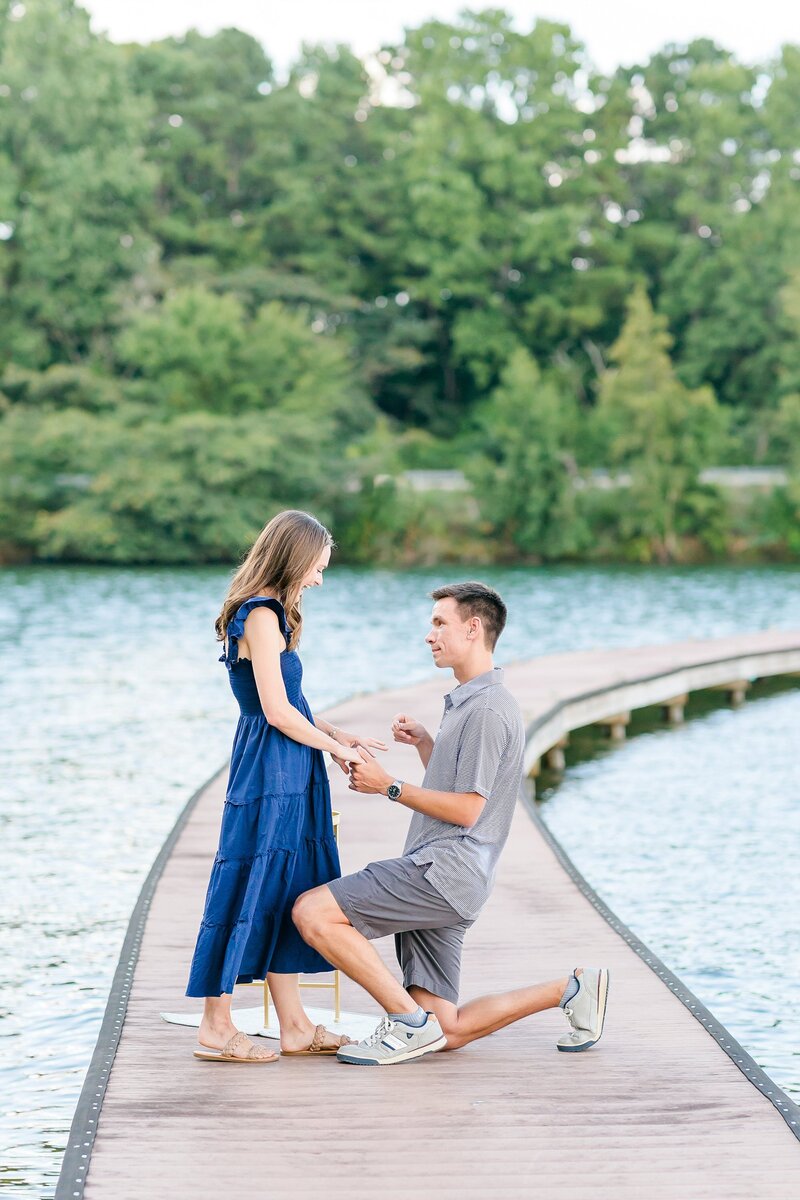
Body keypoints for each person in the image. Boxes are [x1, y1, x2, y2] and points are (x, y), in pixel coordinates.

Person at [293, 581, 609, 1065]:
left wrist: (388, 785)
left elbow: (467, 810)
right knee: (448, 1029)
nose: (429, 635)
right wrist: (425, 744)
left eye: (440, 623)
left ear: (474, 628)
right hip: (459, 880)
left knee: (312, 912)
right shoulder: (471, 699)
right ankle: (571, 989)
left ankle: (405, 1023)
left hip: (440, 872)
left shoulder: (485, 709)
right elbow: (464, 784)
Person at [186, 510, 387, 1063]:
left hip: (291, 767)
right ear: (294, 559)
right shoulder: (260, 617)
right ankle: (214, 1024)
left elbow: (292, 705)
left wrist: (337, 732)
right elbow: (274, 712)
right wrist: (338, 751)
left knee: (288, 888)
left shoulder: (275, 617)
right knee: (250, 882)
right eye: (317, 567)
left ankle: (295, 1026)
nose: (320, 579)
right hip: (271, 767)